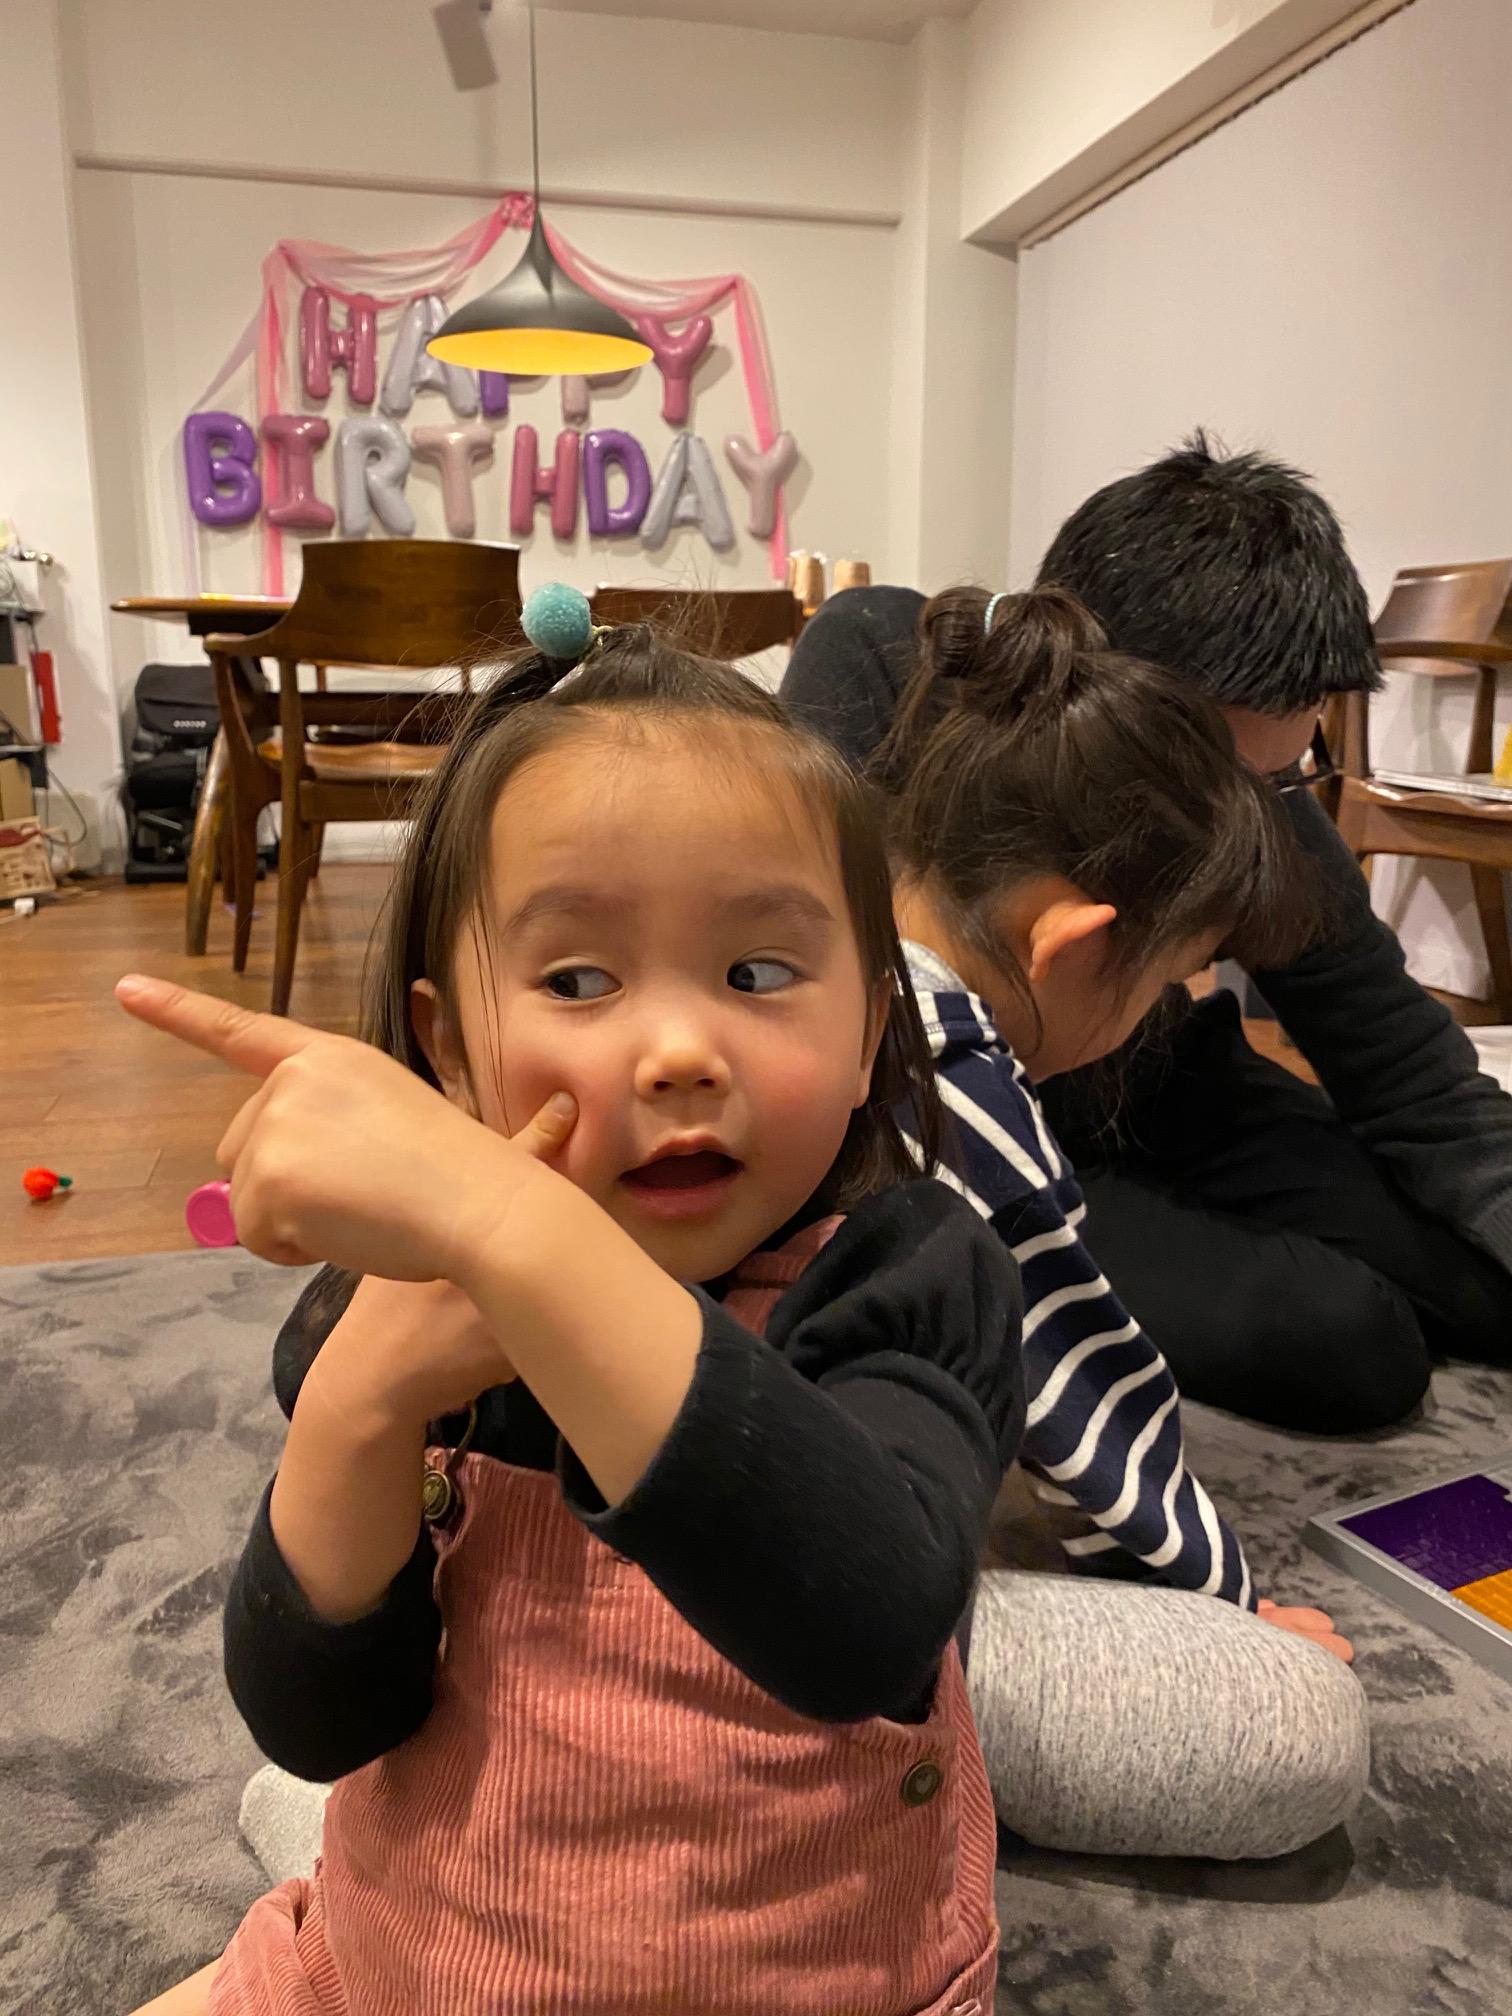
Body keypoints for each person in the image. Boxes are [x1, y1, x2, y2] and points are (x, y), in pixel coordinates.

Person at [118, 611, 1023, 2016]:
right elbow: (322, 1720)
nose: (679, 1051)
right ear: (450, 1050)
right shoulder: (409, 1312)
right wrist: (360, 1402)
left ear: (868, 1030)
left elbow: (866, 1628)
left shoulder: (911, 1273)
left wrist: (516, 1232)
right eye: (580, 982)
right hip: (402, 1966)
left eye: (759, 974)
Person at [782, 435, 1512, 1434]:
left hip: (1158, 1079)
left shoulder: (1260, 800)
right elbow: (827, 1011)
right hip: (961, 1122)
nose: (1253, 816)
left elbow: (1407, 1068)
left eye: (1282, 776)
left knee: (1484, 1290)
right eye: (1225, 777)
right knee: (1353, 1345)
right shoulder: (883, 665)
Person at [875, 582, 1369, 1859]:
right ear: (1077, 946)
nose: (1158, 1015)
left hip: (592, 1486)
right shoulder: (955, 1092)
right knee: (1302, 1726)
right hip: (720, 1598)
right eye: (1164, 982)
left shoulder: (820, 961)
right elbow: (1093, 1412)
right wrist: (1226, 1610)